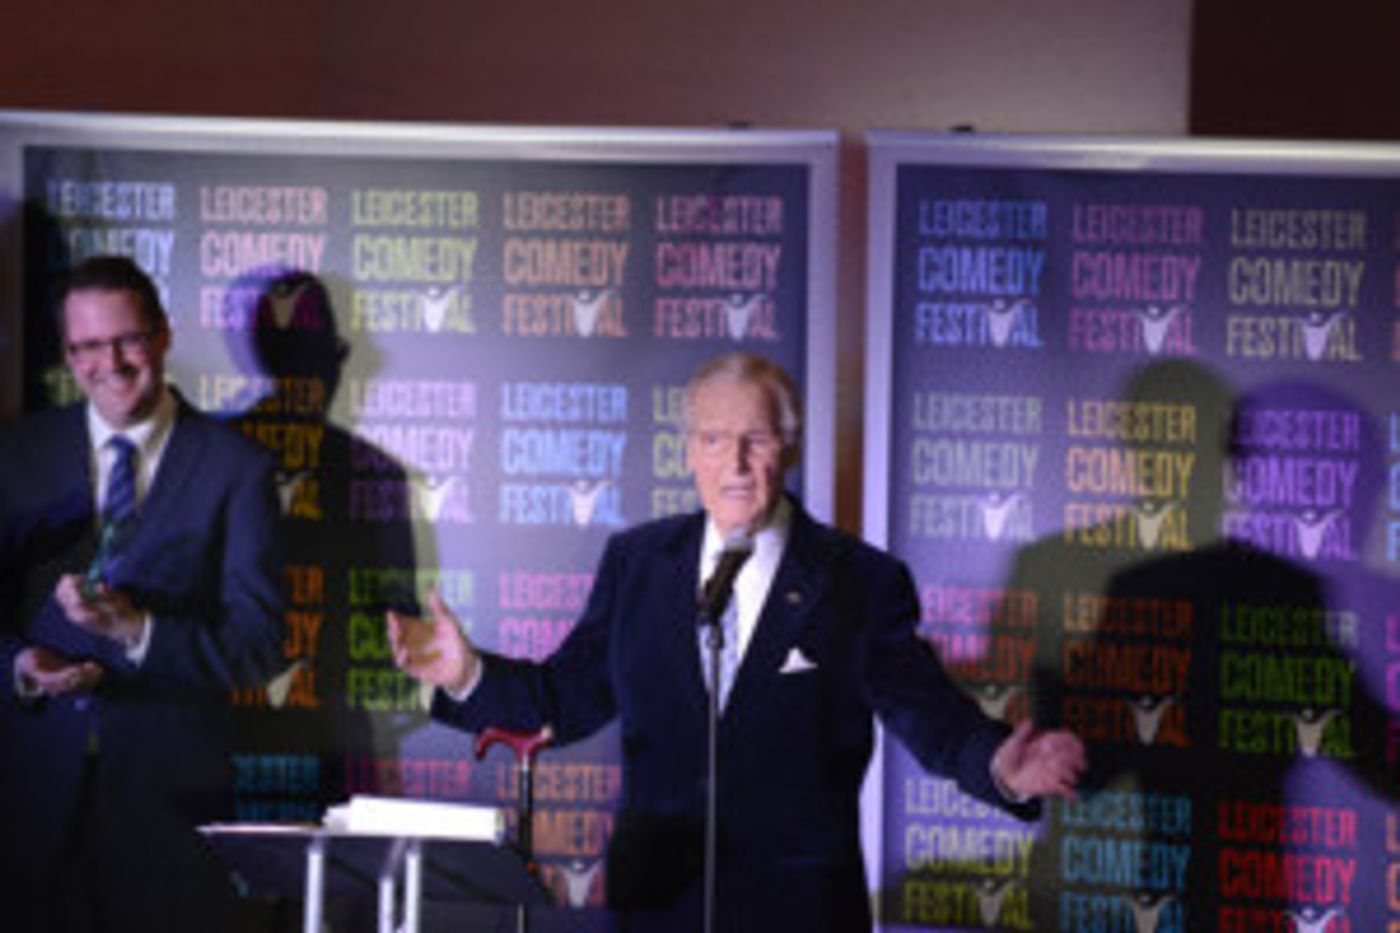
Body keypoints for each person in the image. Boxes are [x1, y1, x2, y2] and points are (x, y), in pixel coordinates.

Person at [387, 351, 1085, 932]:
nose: (737, 462)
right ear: (689, 451)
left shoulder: (858, 580)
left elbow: (925, 710)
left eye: (756, 438)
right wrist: (467, 672)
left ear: (790, 445)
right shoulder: (637, 563)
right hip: (656, 905)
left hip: (797, 909)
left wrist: (999, 764)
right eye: (715, 439)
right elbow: (565, 696)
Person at [0, 255, 286, 932]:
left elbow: (259, 645)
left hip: (167, 811)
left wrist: (139, 630)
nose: (113, 362)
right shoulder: (18, 456)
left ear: (161, 335)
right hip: (28, 807)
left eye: (128, 339)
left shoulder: (236, 468)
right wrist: (18, 665)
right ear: (69, 355)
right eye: (90, 346)